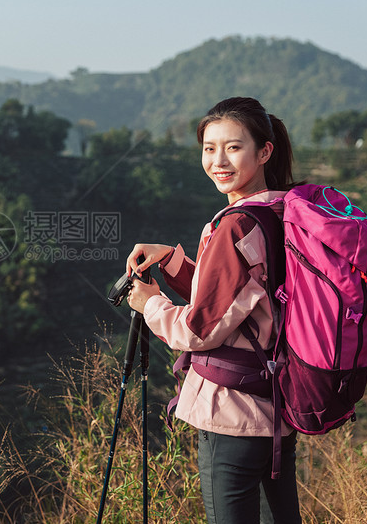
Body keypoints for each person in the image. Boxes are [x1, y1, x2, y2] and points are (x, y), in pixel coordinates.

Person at [126, 97, 302, 524]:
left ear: (264, 151)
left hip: (234, 416)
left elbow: (200, 330)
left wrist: (151, 304)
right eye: (209, 148)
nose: (218, 160)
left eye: (233, 147)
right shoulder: (282, 212)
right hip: (276, 409)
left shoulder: (236, 225)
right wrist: (172, 261)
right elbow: (243, 299)